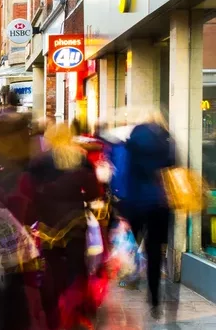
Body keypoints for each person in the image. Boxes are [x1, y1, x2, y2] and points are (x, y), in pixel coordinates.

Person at [18, 124, 102, 330]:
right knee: (77, 265)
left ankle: (54, 306)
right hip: (75, 221)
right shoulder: (80, 159)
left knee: (52, 267)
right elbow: (93, 192)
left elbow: (27, 191)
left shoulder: (38, 163)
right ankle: (75, 309)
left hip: (47, 223)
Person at [120, 114, 174, 318]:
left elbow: (124, 173)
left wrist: (122, 203)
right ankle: (154, 296)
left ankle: (131, 274)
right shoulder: (165, 144)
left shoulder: (132, 144)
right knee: (154, 251)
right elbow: (172, 168)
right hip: (159, 203)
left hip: (135, 202)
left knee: (131, 242)